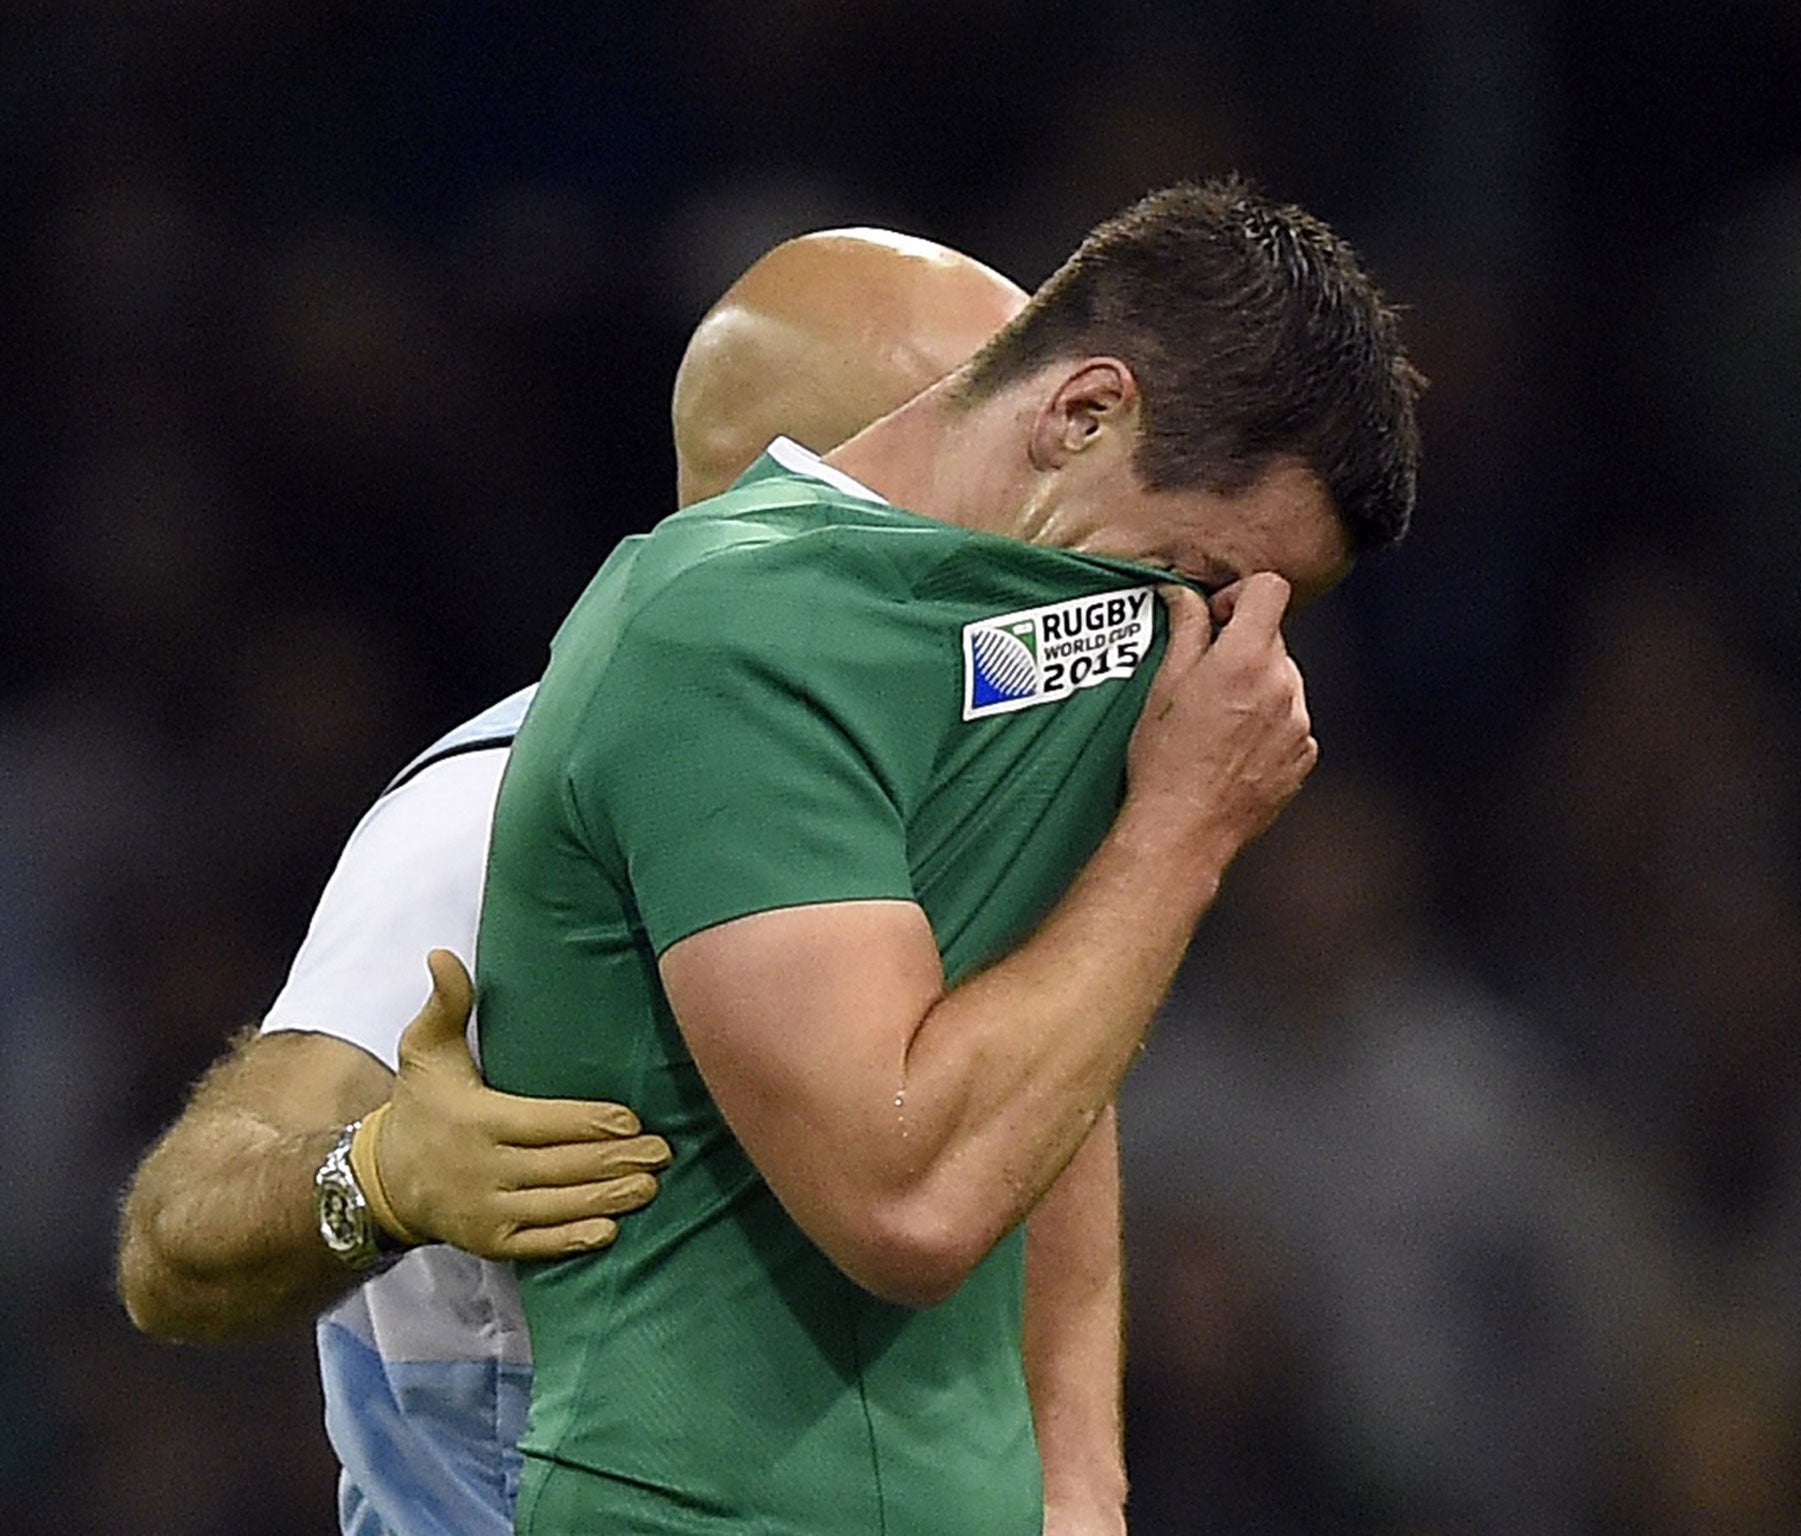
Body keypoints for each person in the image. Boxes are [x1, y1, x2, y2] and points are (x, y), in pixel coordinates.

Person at [476, 177, 1422, 1534]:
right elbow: (907, 1193)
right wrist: (1181, 829)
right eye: (1197, 576)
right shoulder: (726, 634)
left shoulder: (1040, 634)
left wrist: (1082, 1484)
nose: (1198, 641)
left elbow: (1048, 1054)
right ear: (1081, 413)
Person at [115, 227, 1033, 1535]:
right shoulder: (490, 815)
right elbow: (175, 1241)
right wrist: (373, 1179)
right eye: (1001, 468)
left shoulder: (969, 785)